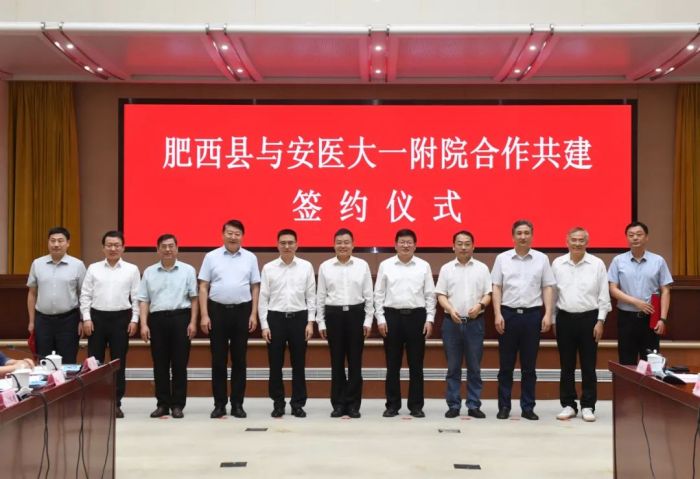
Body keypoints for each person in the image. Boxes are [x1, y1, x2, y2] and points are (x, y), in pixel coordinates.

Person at [491, 219, 555, 421]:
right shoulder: (502, 258)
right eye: (519, 233)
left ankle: (528, 407)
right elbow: (496, 287)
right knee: (506, 366)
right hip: (508, 315)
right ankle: (504, 406)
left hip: (532, 316)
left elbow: (547, 287)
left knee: (529, 367)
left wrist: (548, 313)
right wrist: (497, 314)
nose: (523, 236)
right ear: (513, 236)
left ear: (532, 236)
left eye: (527, 233)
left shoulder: (542, 259)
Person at [198, 219, 260, 419]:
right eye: (230, 233)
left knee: (240, 360)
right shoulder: (211, 257)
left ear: (242, 236)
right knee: (218, 360)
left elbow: (255, 287)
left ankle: (237, 404)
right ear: (223, 234)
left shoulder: (250, 258)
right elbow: (203, 286)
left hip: (242, 311)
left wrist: (253, 313)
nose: (233, 237)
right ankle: (219, 404)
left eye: (237, 234)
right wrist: (204, 315)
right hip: (217, 311)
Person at [552, 227, 611, 422]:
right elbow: (553, 295)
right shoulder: (558, 263)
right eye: (574, 240)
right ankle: (568, 404)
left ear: (587, 242)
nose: (577, 243)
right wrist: (552, 319)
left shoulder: (597, 264)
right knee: (566, 365)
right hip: (564, 319)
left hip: (590, 320)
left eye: (581, 240)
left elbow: (604, 295)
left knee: (588, 365)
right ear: (567, 241)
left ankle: (588, 405)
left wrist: (600, 321)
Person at [375, 229, 436, 418]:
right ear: (395, 245)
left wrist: (429, 319)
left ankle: (416, 406)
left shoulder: (424, 266)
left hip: (417, 317)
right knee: (392, 365)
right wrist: (381, 318)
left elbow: (430, 295)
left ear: (415, 245)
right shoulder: (386, 265)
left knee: (416, 365)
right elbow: (379, 294)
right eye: (402, 242)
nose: (405, 245)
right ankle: (392, 405)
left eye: (409, 242)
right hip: (392, 317)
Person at [80, 230, 140, 418]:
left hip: (121, 319)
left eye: (117, 245)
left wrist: (134, 320)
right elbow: (85, 295)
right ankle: (95, 404)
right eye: (109, 245)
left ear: (123, 247)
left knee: (118, 364)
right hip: (97, 319)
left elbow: (136, 297)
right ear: (103, 248)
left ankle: (116, 403)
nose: (113, 248)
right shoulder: (93, 268)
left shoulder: (132, 269)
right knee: (94, 364)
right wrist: (86, 318)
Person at [138, 234, 198, 419]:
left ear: (177, 248)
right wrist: (143, 324)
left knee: (180, 364)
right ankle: (162, 404)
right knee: (160, 364)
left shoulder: (188, 270)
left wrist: (193, 322)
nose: (168, 249)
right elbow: (144, 300)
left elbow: (194, 299)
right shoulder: (149, 272)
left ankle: (178, 405)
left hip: (181, 318)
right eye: (163, 246)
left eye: (171, 246)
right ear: (157, 250)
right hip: (157, 320)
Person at [316, 228, 373, 418]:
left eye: (346, 242)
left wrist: (368, 320)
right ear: (333, 245)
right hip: (334, 316)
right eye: (339, 242)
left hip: (356, 315)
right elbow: (320, 296)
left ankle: (354, 404)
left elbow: (369, 295)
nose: (343, 245)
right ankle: (339, 404)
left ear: (353, 245)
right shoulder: (325, 266)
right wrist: (321, 322)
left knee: (355, 362)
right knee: (337, 362)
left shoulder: (362, 265)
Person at [259, 229, 316, 418]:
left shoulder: (306, 266)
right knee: (275, 365)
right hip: (275, 319)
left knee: (298, 365)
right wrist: (265, 325)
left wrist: (310, 322)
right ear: (277, 245)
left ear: (297, 245)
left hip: (299, 319)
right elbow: (263, 298)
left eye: (290, 242)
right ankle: (278, 403)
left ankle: (298, 404)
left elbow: (311, 296)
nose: (287, 246)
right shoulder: (268, 268)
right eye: (283, 243)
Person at [435, 230, 492, 419]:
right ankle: (453, 405)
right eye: (459, 243)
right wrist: (450, 310)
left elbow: (488, 293)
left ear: (473, 246)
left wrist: (480, 305)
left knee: (474, 367)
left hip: (475, 323)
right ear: (453, 247)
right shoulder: (446, 269)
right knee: (453, 367)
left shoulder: (482, 268)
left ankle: (474, 405)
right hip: (451, 323)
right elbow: (441, 294)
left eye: (467, 243)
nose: (463, 247)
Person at [608, 221, 672, 365]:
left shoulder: (658, 261)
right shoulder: (618, 261)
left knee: (651, 362)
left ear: (646, 237)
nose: (635, 238)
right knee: (626, 362)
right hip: (626, 318)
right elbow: (613, 289)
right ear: (627, 238)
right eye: (631, 235)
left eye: (639, 234)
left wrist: (662, 319)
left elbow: (665, 290)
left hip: (650, 318)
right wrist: (636, 302)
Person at [27, 227, 86, 363]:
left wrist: (82, 320)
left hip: (69, 321)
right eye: (52, 241)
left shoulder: (78, 265)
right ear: (48, 242)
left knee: (68, 361)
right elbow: (32, 293)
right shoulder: (37, 264)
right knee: (44, 361)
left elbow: (83, 294)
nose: (56, 244)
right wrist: (31, 321)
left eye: (60, 241)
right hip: (43, 321)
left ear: (68, 243)